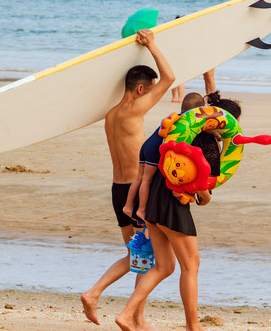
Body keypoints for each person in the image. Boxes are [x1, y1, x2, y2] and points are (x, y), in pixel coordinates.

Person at [81, 28, 175, 326]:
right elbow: (170, 78)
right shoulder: (134, 110)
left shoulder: (110, 114)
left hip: (117, 190)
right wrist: (152, 45)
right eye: (149, 91)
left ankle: (136, 317)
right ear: (140, 90)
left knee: (140, 255)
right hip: (137, 193)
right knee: (153, 257)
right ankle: (95, 292)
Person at [115, 131, 220, 331]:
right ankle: (193, 326)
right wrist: (205, 198)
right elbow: (201, 185)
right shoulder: (206, 140)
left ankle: (126, 314)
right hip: (173, 208)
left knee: (163, 267)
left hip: (153, 203)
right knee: (190, 266)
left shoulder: (173, 133)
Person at [123, 92, 205, 224]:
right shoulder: (188, 123)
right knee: (146, 180)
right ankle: (141, 210)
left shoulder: (174, 116)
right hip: (155, 150)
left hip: (147, 146)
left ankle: (128, 206)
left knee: (139, 177)